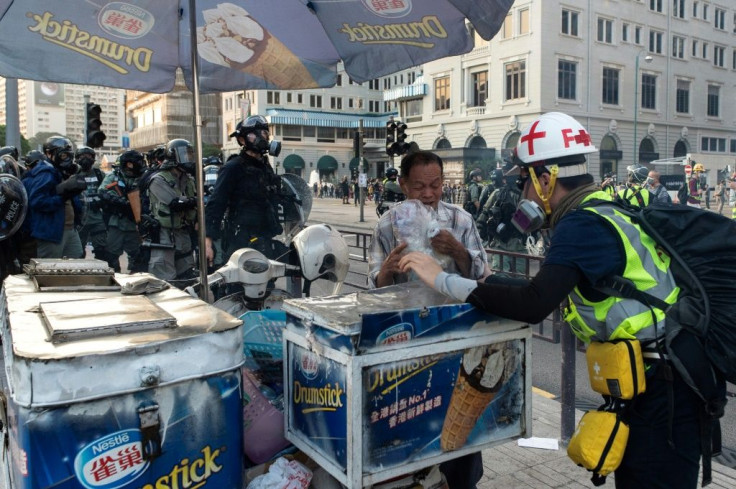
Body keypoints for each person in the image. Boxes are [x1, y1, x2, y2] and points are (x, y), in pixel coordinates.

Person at [399, 112, 709, 489]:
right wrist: (483, 277)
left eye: (526, 185)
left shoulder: (582, 224)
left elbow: (533, 304)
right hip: (659, 380)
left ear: (546, 181)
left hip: (666, 387)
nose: (524, 196)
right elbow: (544, 285)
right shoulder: (595, 209)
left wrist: (441, 279)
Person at [368, 150, 488, 489]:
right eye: (418, 186)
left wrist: (459, 252)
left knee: (461, 427)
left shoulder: (460, 220)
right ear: (403, 184)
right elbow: (375, 286)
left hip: (456, 333)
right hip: (407, 339)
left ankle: (463, 481)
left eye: (435, 185)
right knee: (414, 416)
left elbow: (482, 276)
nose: (429, 194)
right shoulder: (388, 224)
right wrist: (387, 273)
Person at [205, 115, 283, 265]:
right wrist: (208, 243)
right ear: (242, 140)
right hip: (239, 240)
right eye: (256, 134)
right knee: (238, 285)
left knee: (266, 284)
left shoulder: (265, 167)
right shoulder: (233, 167)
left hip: (264, 239)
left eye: (265, 133)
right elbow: (216, 205)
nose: (263, 137)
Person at [24, 136, 86, 259]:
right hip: (51, 232)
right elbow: (37, 202)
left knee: (76, 267)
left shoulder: (61, 171)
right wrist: (63, 197)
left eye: (69, 155)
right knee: (49, 271)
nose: (66, 159)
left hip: (70, 229)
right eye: (63, 155)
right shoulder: (45, 173)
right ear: (48, 153)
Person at [147, 139, 197, 282]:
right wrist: (194, 201)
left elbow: (193, 200)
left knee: (187, 275)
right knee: (164, 278)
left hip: (183, 232)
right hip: (165, 234)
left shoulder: (188, 179)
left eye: (189, 154)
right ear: (173, 156)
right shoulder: (158, 179)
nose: (188, 158)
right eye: (184, 154)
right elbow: (175, 203)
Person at [98, 150, 145, 272]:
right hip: (117, 221)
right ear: (129, 164)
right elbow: (103, 191)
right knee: (111, 255)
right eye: (138, 162)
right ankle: (114, 279)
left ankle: (136, 278)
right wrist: (121, 201)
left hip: (136, 223)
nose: (141, 164)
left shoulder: (142, 177)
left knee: (139, 255)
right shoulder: (114, 176)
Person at [75, 145, 110, 262]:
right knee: (78, 253)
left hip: (97, 219)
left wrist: (103, 199)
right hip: (79, 220)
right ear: (76, 158)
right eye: (82, 156)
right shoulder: (73, 175)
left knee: (102, 250)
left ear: (93, 158)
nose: (85, 158)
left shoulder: (99, 174)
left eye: (88, 156)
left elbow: (108, 191)